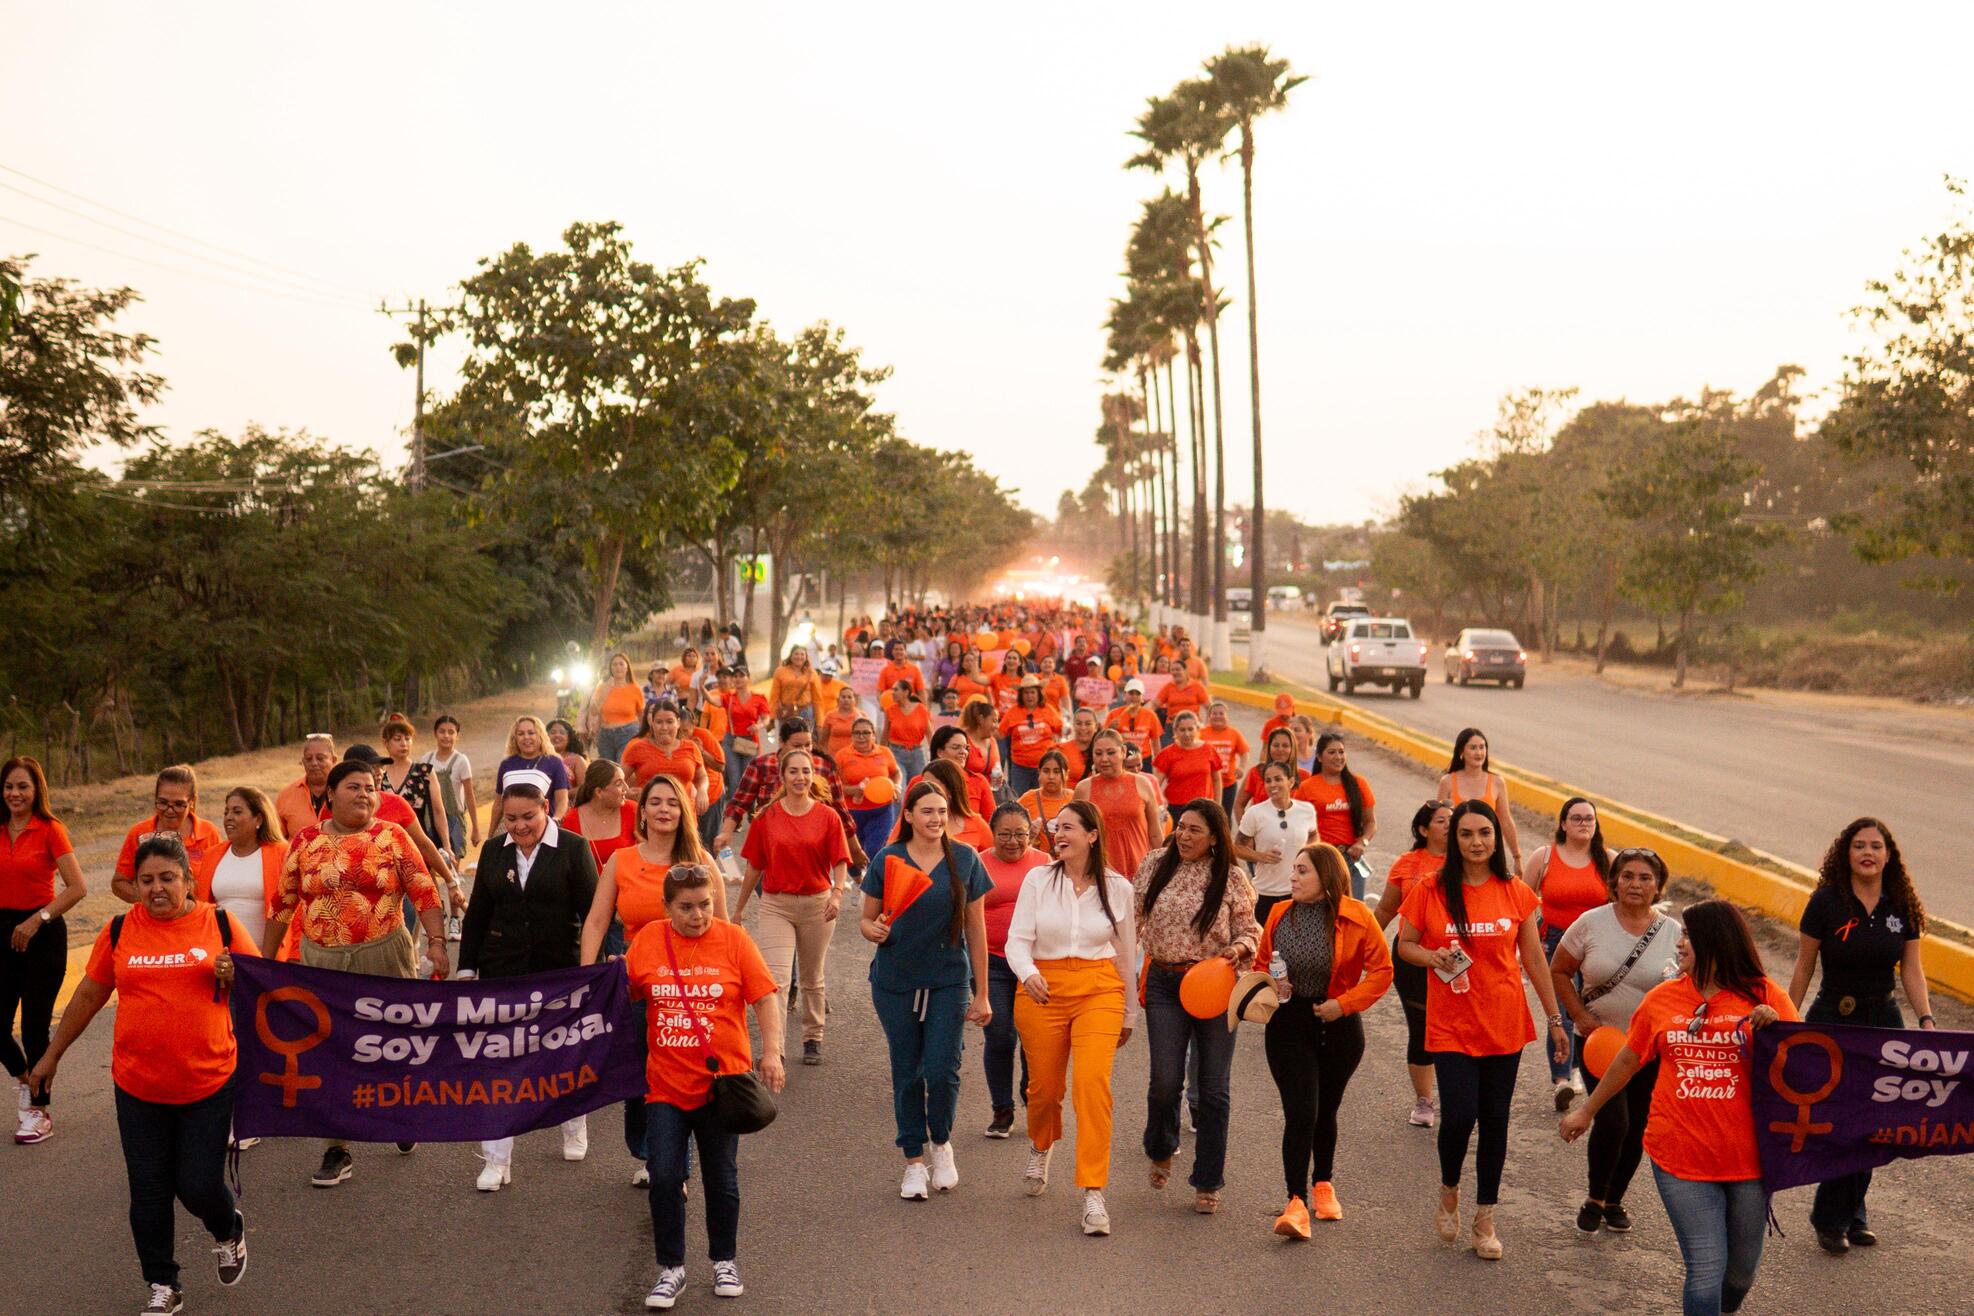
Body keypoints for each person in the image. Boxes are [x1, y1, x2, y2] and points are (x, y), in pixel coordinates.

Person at [29, 835, 255, 1314]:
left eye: (167, 878)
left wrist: (236, 975)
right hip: (138, 1086)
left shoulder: (220, 923)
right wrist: (51, 1055)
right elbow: (89, 996)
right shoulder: (118, 930)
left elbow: (263, 985)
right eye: (146, 880)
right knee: (149, 1189)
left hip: (208, 1082)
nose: (156, 888)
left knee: (197, 1185)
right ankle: (162, 1283)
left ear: (188, 881)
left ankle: (227, 1228)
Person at [1560, 900, 1798, 1316]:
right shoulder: (1662, 999)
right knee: (1705, 1274)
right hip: (1680, 1157)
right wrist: (1588, 1110)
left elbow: (1801, 1067)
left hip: (1750, 1160)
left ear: (1715, 942)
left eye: (1688, 935)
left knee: (1739, 1275)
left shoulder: (1766, 995)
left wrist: (1775, 1030)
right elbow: (1629, 1059)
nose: (1680, 942)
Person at [262, 759, 449, 1187]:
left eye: (370, 787)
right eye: (353, 786)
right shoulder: (305, 841)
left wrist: (437, 943)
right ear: (330, 794)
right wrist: (266, 962)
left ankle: (401, 1113)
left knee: (393, 1043)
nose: (364, 793)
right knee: (330, 1052)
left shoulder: (392, 836)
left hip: (384, 956)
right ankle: (337, 1148)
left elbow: (423, 889)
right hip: (322, 964)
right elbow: (283, 901)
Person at [1395, 800, 1567, 1259]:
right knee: (1459, 1116)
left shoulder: (1514, 892)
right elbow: (1405, 944)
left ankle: (1484, 1217)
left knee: (1495, 1121)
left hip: (1505, 1023)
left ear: (1496, 839)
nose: (1476, 842)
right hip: (1451, 1023)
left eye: (1484, 833)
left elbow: (1534, 959)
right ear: (1454, 840)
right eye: (1467, 834)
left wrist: (1555, 1021)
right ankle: (1449, 1188)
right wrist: (1432, 957)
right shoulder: (1431, 888)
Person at [626, 864, 785, 1309]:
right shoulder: (649, 941)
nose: (699, 916)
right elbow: (622, 994)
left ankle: (724, 1261)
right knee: (662, 1177)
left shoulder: (733, 940)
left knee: (722, 1179)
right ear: (666, 908)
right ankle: (670, 1269)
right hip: (665, 1085)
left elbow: (763, 996)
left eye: (706, 904)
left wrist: (771, 1052)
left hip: (722, 1086)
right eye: (687, 907)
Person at [1788, 816, 1936, 1254]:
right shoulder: (1826, 902)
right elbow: (1803, 966)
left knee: (1874, 1124)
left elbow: (1911, 968)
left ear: (1889, 855)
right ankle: (1833, 1218)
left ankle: (1852, 1210)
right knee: (1840, 1120)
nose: (1868, 853)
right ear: (1845, 853)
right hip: (1834, 1018)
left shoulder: (1901, 905)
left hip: (1884, 1021)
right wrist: (1785, 1017)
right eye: (1859, 846)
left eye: (1876, 846)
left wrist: (1925, 1020)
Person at [1001, 799, 1138, 1235]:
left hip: (1099, 988)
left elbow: (1126, 953)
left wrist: (1130, 1013)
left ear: (1092, 836)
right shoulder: (1037, 881)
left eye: (1069, 828)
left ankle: (1093, 1191)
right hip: (1043, 988)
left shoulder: (1119, 888)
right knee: (1043, 1089)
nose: (1058, 834)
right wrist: (1029, 973)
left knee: (1091, 1084)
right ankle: (1042, 1144)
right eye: (1056, 828)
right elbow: (1016, 941)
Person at [458, 778, 601, 1188]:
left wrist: (594, 967)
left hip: (560, 970)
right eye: (510, 818)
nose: (518, 827)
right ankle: (496, 1159)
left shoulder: (573, 849)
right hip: (503, 972)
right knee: (501, 1062)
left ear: (546, 810)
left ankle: (573, 1125)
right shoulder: (492, 850)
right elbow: (478, 915)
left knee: (564, 1055)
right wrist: (467, 968)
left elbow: (593, 913)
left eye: (527, 817)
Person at [581, 773, 722, 1184]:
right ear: (641, 811)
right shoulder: (621, 861)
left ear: (684, 811)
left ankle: (674, 1164)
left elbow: (724, 930)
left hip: (691, 988)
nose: (664, 810)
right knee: (640, 1074)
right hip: (638, 986)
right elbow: (595, 921)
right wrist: (589, 976)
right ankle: (648, 1151)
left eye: (672, 803)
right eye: (655, 802)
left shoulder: (700, 863)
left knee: (685, 1075)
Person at [859, 783, 994, 1200]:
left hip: (948, 978)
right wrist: (875, 930)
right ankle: (913, 1161)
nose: (936, 819)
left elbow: (976, 928)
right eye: (927, 812)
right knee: (907, 1070)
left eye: (942, 811)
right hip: (895, 979)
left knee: (941, 1069)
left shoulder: (965, 859)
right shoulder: (888, 858)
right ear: (910, 815)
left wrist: (983, 992)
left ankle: (940, 1142)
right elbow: (866, 921)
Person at [1253, 843, 1392, 1238]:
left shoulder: (1358, 916)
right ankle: (1295, 1202)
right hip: (1288, 1023)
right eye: (1293, 871)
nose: (1292, 878)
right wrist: (1269, 982)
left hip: (1339, 1026)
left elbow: (1382, 971)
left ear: (1326, 877)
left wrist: (1344, 1004)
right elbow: (1263, 963)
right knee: (1301, 1112)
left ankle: (1323, 1184)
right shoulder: (1280, 912)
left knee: (1326, 1110)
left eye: (1302, 872)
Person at [1135, 799, 1258, 1215]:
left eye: (1194, 831)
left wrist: (1237, 950)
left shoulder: (1232, 879)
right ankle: (1161, 1145)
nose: (1183, 836)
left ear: (1214, 839)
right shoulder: (1154, 864)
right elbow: (1133, 920)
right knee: (1165, 1080)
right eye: (1181, 827)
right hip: (1165, 983)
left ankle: (1207, 1179)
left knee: (1213, 1089)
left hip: (1214, 985)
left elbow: (1248, 931)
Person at [1552, 846, 1681, 1235]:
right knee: (1614, 1118)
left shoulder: (1674, 933)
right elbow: (1559, 970)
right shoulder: (1590, 923)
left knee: (1637, 1124)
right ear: (1614, 882)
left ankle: (1615, 1199)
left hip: (1649, 1048)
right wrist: (1579, 1016)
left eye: (1645, 878)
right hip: (1601, 1043)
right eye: (1627, 876)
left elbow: (1687, 988)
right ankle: (1595, 1197)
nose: (1635, 884)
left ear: (1658, 886)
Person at [732, 748, 851, 1066]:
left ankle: (813, 1037)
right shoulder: (766, 817)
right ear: (782, 777)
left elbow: (840, 859)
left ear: (814, 776)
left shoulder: (827, 817)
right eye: (793, 771)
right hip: (776, 905)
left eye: (806, 771)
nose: (800, 777)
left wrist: (837, 894)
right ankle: (776, 1048)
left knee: (812, 976)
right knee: (777, 978)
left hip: (818, 904)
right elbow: (754, 867)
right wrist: (739, 909)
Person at [3, 756, 87, 1145]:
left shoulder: (51, 829)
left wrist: (38, 919)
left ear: (37, 790)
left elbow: (77, 887)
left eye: (23, 786)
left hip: (43, 934)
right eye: (9, 787)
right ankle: (26, 1079)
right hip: (1, 933)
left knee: (35, 1027)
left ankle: (38, 1111)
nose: (15, 794)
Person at [1526, 797, 1613, 1109]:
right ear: (1563, 823)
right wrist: (1518, 950)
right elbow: (1521, 902)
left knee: (1592, 1008)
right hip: (1555, 942)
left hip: (1598, 945)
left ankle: (1582, 1068)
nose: (1583, 823)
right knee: (1561, 1010)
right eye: (1576, 818)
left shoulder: (1608, 859)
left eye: (1589, 818)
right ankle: (1562, 1078)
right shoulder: (1545, 856)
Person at [1373, 801, 1452, 1128]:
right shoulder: (1408, 863)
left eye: (1452, 820)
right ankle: (1425, 1101)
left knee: (1455, 1031)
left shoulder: (1469, 864)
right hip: (1411, 959)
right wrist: (1360, 948)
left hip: (1456, 963)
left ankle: (1457, 1094)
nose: (1448, 825)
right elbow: (1385, 911)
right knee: (1422, 1030)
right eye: (1441, 820)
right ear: (1423, 829)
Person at [978, 803, 1048, 1138]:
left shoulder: (1045, 864)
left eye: (1020, 834)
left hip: (1034, 966)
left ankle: (1029, 1092)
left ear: (1031, 834)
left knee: (1033, 1038)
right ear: (992, 835)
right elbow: (964, 914)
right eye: (1004, 834)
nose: (1012, 841)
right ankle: (1001, 1109)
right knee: (1001, 1034)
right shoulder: (979, 863)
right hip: (991, 961)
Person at [193, 786, 289, 968]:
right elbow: (201, 907)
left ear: (259, 819)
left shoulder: (282, 854)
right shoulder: (212, 855)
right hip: (221, 959)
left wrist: (268, 959)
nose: (228, 817)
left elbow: (294, 911)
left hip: (267, 960)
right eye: (226, 812)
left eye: (237, 811)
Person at [112, 765, 224, 902]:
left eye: (178, 804)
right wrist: (150, 900)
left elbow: (223, 883)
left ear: (192, 802)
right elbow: (119, 883)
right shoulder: (140, 833)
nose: (170, 810)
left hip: (200, 917)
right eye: (163, 803)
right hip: (154, 919)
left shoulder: (209, 833)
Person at [1292, 732, 1376, 900]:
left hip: (1351, 858)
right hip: (1320, 859)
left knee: (1352, 912)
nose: (1338, 757)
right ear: (1319, 757)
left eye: (1341, 752)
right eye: (1332, 752)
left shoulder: (1359, 784)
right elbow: (1296, 826)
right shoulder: (1307, 788)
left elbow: (1371, 823)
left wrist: (1362, 842)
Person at [1233, 761, 1316, 928]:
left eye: (1278, 779)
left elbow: (1313, 836)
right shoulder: (1255, 813)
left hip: (1298, 892)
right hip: (1266, 893)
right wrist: (1261, 856)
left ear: (1291, 782)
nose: (1273, 784)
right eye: (1268, 781)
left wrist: (1306, 856)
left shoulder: (1306, 810)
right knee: (1265, 947)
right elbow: (1237, 847)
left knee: (1295, 947)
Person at [1074, 729, 1162, 882]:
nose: (1104, 759)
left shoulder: (1142, 784)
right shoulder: (1084, 788)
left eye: (1110, 752)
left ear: (1123, 751)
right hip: (1100, 874)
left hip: (1140, 871)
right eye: (1098, 753)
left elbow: (1154, 832)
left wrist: (1163, 866)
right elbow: (1077, 834)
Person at [1438, 727, 1522, 873]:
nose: (1479, 753)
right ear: (1461, 752)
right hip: (1455, 855)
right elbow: (1439, 822)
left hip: (1488, 855)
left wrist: (1517, 857)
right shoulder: (1447, 782)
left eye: (1482, 747)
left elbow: (1506, 821)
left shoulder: (1497, 782)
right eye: (1473, 748)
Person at [622, 702, 711, 814]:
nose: (664, 727)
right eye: (659, 722)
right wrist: (628, 793)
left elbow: (702, 776)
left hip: (684, 817)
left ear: (678, 723)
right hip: (648, 818)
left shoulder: (691, 747)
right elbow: (618, 780)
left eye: (669, 722)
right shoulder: (638, 748)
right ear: (652, 723)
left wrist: (702, 791)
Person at [835, 717, 902, 866]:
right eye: (857, 733)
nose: (861, 737)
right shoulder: (842, 756)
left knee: (874, 848)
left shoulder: (885, 752)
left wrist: (896, 785)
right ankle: (858, 879)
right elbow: (834, 786)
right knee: (854, 853)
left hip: (882, 810)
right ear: (851, 736)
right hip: (853, 812)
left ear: (873, 735)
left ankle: (873, 882)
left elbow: (896, 772)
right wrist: (855, 789)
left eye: (866, 733)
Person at [380, 713, 445, 853]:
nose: (403, 743)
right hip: (384, 844)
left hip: (418, 843)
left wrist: (446, 845)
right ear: (386, 743)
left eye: (407, 738)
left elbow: (438, 811)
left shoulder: (424, 772)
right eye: (397, 739)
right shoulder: (379, 774)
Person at [564, 759, 639, 874]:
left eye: (625, 781)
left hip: (627, 886)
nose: (626, 788)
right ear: (598, 792)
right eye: (619, 783)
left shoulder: (632, 810)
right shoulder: (572, 820)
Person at [423, 715, 481, 861]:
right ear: (435, 733)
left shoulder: (461, 761)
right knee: (430, 861)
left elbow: (469, 795)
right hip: (430, 818)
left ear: (457, 735)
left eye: (451, 732)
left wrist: (475, 828)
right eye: (442, 731)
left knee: (453, 863)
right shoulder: (426, 760)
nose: (446, 736)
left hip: (455, 819)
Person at [997, 678, 1063, 800]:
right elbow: (1000, 733)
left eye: (1032, 692)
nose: (1029, 696)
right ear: (1021, 695)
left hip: (1045, 767)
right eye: (1026, 693)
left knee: (1044, 800)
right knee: (1020, 801)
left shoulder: (1048, 710)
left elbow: (1061, 729)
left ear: (1038, 693)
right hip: (1020, 768)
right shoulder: (1013, 711)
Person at [498, 715, 572, 818]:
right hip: (512, 827)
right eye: (520, 734)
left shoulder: (554, 762)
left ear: (540, 735)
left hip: (544, 825)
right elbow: (498, 805)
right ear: (515, 738)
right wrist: (491, 832)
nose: (526, 737)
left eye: (531, 733)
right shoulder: (506, 764)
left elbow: (562, 800)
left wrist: (556, 820)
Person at [1151, 710, 1221, 810]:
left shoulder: (1209, 750)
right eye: (1182, 730)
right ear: (1175, 731)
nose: (1187, 734)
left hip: (1203, 808)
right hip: (1175, 808)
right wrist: (1161, 800)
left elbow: (1217, 780)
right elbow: (1155, 784)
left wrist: (1217, 806)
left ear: (1197, 729)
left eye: (1190, 729)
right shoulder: (1167, 753)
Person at [275, 734, 339, 840]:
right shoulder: (286, 795)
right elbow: (277, 840)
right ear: (303, 762)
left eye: (320, 758)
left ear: (333, 760)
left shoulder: (346, 792)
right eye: (309, 759)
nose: (314, 763)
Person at [587, 652, 646, 763]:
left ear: (627, 667)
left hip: (627, 733)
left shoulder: (635, 689)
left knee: (621, 766)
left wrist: (643, 735)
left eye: (621, 664)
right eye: (614, 664)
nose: (618, 667)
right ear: (610, 668)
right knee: (607, 769)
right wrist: (595, 729)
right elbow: (594, 712)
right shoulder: (602, 687)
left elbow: (641, 714)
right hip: (605, 735)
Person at [1016, 750, 1076, 854]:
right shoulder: (1028, 798)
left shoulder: (1075, 798)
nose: (1051, 776)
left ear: (1066, 774)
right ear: (1039, 773)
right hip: (1039, 863)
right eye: (1046, 771)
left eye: (1057, 771)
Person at [1234, 726, 1298, 821]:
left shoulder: (1305, 776)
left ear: (1293, 749)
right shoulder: (1256, 772)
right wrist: (1246, 831)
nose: (1280, 749)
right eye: (1276, 745)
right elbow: (1239, 804)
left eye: (1285, 746)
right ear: (1269, 747)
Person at [1198, 702, 1249, 816]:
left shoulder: (1234, 733)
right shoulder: (1201, 733)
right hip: (1207, 784)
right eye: (1214, 713)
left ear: (1227, 716)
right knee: (1206, 815)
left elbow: (1244, 752)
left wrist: (1241, 767)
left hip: (1228, 783)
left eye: (1221, 713)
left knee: (1224, 815)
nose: (1217, 716)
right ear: (1209, 716)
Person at [880, 677, 931, 783]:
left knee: (918, 788)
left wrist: (935, 754)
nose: (892, 693)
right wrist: (881, 754)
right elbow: (885, 735)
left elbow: (930, 734)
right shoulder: (890, 710)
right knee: (900, 789)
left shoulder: (921, 709)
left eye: (896, 690)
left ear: (906, 692)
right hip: (896, 754)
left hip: (917, 754)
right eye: (892, 689)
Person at [1104, 680, 1162, 762]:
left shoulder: (1151, 715)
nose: (1134, 696)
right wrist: (1111, 729)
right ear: (1125, 695)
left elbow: (1156, 742)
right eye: (1131, 693)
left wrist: (1158, 761)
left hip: (1144, 759)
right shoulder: (1114, 714)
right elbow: (1104, 738)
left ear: (1142, 698)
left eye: (1137, 694)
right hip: (1121, 758)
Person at [770, 645, 820, 728]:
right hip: (787, 711)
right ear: (791, 655)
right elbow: (774, 696)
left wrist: (819, 722)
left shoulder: (811, 673)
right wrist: (772, 716)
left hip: (806, 711)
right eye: (796, 654)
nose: (799, 657)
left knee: (804, 739)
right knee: (786, 738)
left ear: (806, 657)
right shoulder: (780, 671)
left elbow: (817, 699)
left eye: (802, 654)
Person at [1059, 706, 1100, 784]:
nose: (1083, 727)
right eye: (1079, 723)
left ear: (1096, 727)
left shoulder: (1103, 751)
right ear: (1073, 725)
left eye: (1088, 724)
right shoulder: (1061, 750)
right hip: (1070, 795)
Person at [820, 685, 862, 759]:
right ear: (838, 699)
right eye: (843, 697)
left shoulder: (861, 716)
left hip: (854, 756)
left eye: (849, 697)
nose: (846, 700)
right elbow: (823, 740)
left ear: (854, 700)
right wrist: (825, 756)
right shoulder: (830, 715)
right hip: (833, 756)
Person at [547, 718, 589, 786]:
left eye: (562, 733)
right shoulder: (539, 759)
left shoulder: (577, 760)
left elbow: (584, 789)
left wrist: (560, 794)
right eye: (552, 732)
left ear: (569, 738)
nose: (557, 735)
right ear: (546, 737)